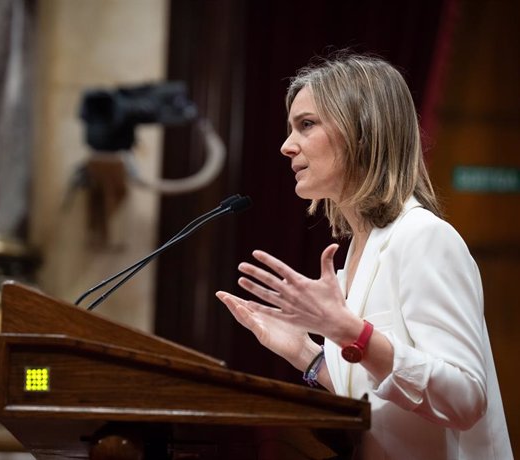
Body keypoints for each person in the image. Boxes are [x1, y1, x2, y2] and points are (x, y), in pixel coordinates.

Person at [215, 54, 513, 459]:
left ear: (362, 131)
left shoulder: (424, 239)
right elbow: (380, 401)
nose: (287, 146)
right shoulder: (361, 249)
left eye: (306, 125)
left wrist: (353, 334)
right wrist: (303, 352)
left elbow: (465, 398)